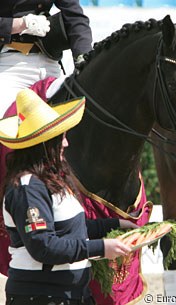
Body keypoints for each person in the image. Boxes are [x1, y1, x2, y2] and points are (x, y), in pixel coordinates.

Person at [0, 88, 137, 305]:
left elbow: (71, 229)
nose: (66, 143)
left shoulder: (52, 180)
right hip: (40, 297)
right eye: (61, 138)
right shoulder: (27, 189)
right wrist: (101, 247)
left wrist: (118, 224)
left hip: (69, 295)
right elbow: (43, 246)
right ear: (46, 144)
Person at [0, 0, 92, 117]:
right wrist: (20, 24)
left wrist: (83, 58)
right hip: (9, 64)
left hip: (49, 61)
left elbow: (75, 17)